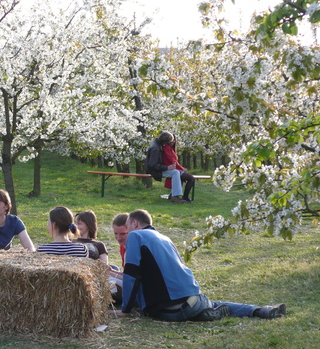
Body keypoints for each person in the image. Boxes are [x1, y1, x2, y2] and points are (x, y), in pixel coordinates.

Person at [119, 209, 286, 321]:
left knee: (213, 308)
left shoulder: (136, 236)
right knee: (213, 303)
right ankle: (259, 310)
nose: (126, 235)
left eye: (127, 228)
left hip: (171, 309)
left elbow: (131, 274)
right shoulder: (164, 238)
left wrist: (125, 310)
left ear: (134, 224)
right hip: (192, 296)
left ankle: (212, 313)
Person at [145, 131, 186, 203]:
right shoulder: (156, 149)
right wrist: (167, 168)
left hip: (157, 169)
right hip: (154, 171)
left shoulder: (157, 144)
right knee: (176, 172)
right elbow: (153, 165)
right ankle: (175, 196)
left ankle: (174, 195)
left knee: (176, 172)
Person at [162, 134, 195, 203]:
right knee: (191, 178)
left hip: (176, 169)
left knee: (188, 178)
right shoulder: (166, 148)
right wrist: (182, 168)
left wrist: (181, 168)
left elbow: (174, 161)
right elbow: (172, 161)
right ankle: (184, 196)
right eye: (171, 140)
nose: (173, 142)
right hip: (173, 169)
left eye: (174, 140)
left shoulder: (171, 149)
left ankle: (174, 195)